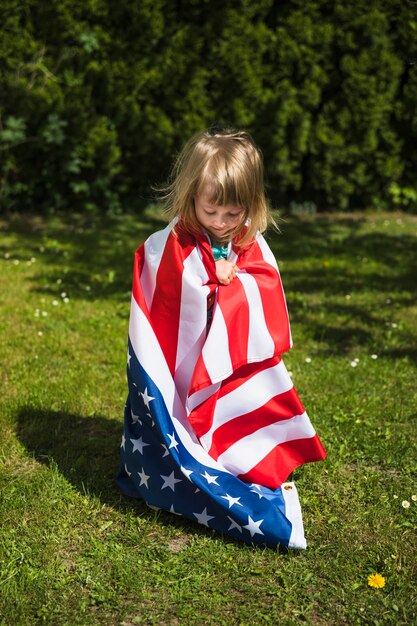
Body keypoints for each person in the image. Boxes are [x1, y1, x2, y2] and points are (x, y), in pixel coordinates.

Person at [117, 127, 326, 549]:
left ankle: (240, 453)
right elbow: (165, 278)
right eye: (211, 212)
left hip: (228, 358)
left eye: (233, 214)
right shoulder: (173, 240)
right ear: (192, 196)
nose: (221, 223)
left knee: (235, 410)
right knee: (171, 415)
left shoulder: (247, 237)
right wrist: (209, 280)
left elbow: (263, 281)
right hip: (183, 358)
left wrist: (233, 285)